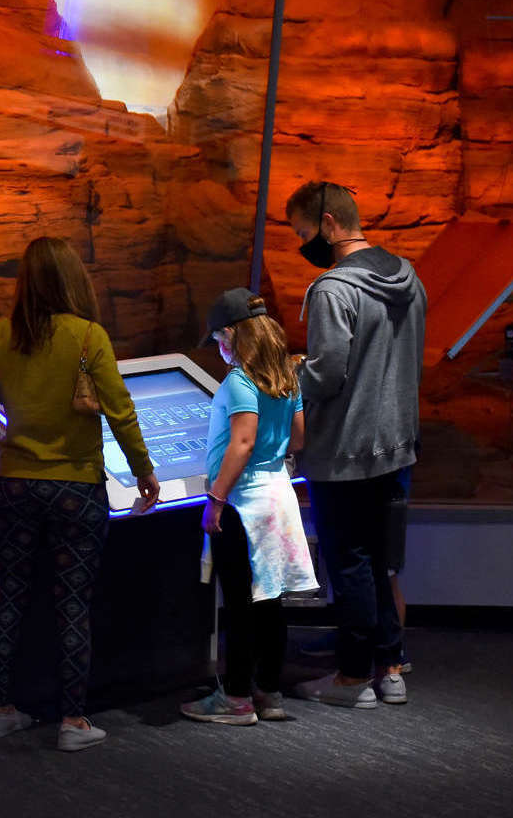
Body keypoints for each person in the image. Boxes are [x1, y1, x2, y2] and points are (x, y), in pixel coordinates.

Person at [0, 237, 162, 752]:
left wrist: (7, 391)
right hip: (76, 486)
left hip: (14, 483)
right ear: (73, 280)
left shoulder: (3, 335)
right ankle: (74, 722)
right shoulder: (88, 336)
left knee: (11, 593)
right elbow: (120, 409)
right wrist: (143, 470)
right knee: (72, 602)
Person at [284, 181, 426, 709]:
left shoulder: (331, 290)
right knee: (380, 564)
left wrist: (287, 380)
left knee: (350, 563)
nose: (304, 244)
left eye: (303, 232)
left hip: (344, 450)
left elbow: (327, 374)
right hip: (398, 445)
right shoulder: (410, 279)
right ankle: (390, 669)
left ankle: (350, 678)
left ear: (327, 223)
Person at [179, 289, 318, 727]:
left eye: (219, 339)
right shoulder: (286, 377)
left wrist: (216, 499)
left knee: (239, 603)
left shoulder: (240, 381)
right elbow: (297, 439)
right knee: (271, 600)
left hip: (243, 501)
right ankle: (269, 692)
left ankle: (236, 698)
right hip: (278, 495)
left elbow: (243, 441)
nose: (219, 349)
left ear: (231, 335)